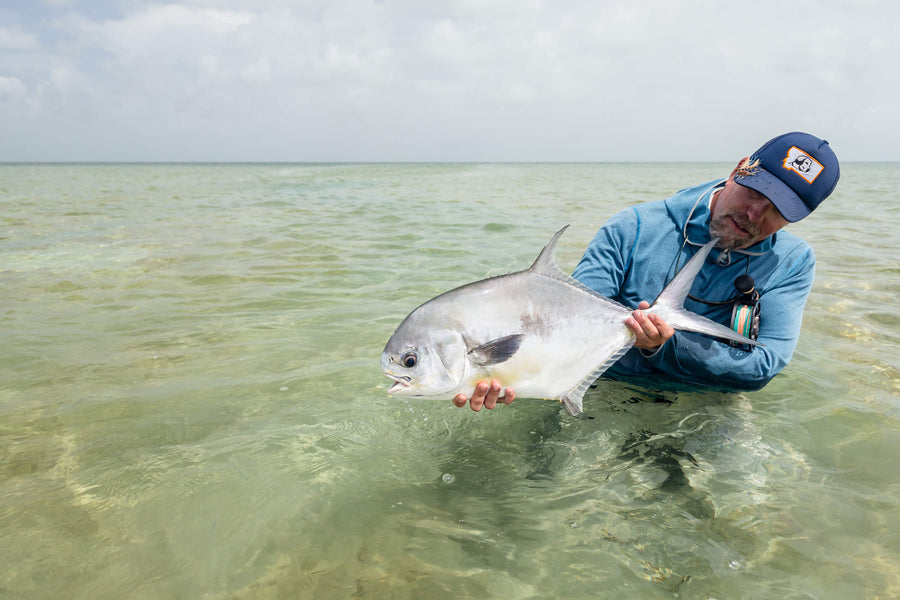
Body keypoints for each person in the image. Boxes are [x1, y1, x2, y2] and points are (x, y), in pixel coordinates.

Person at [454, 131, 840, 412]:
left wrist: (665, 345)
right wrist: (502, 374)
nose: (755, 215)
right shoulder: (634, 227)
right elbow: (563, 323)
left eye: (778, 210)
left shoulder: (792, 261)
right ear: (739, 169)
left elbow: (763, 367)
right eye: (755, 192)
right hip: (605, 389)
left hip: (708, 402)